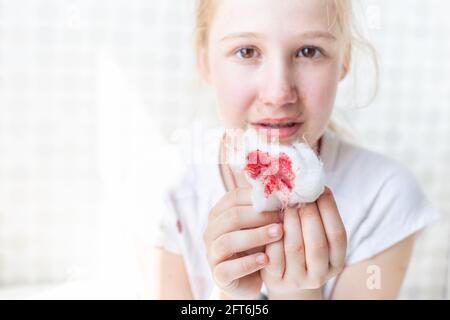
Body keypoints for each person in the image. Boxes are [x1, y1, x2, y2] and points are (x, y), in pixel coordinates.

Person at [146, 0, 439, 300]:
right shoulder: (168, 186)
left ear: (344, 59)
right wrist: (236, 298)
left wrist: (296, 293)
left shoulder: (384, 196)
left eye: (308, 51)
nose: (278, 93)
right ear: (205, 60)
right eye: (246, 51)